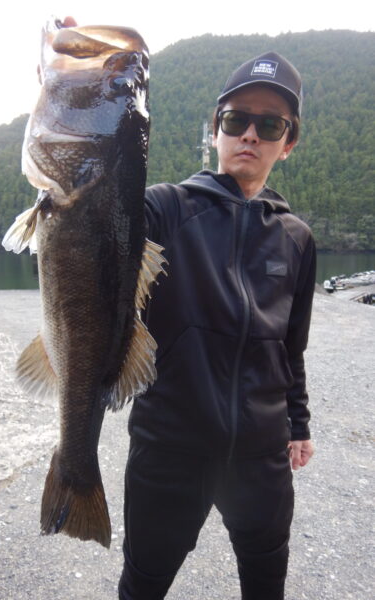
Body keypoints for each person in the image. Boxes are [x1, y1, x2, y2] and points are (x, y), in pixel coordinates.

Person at [118, 51, 316, 600]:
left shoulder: (296, 237)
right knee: (143, 584)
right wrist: (76, 103)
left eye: (270, 124)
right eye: (236, 119)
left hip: (261, 454)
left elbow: (291, 346)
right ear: (216, 130)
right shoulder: (163, 209)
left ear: (287, 142)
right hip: (170, 446)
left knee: (266, 582)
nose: (250, 134)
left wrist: (298, 423)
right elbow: (90, 225)